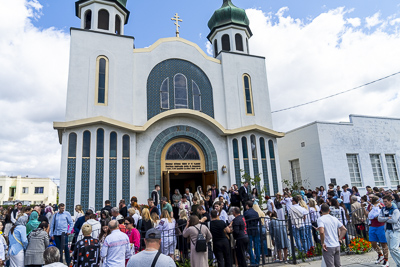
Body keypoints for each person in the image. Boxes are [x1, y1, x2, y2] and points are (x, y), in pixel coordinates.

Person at [378, 195, 400, 267]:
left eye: (386, 201)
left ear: (390, 201)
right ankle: (398, 264)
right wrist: (388, 218)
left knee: (394, 249)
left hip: (395, 230)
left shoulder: (395, 210)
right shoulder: (383, 209)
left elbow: (394, 220)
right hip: (387, 230)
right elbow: (379, 219)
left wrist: (384, 218)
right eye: (383, 201)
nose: (384, 203)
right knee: (391, 249)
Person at [367, 196, 389, 265]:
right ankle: (380, 255)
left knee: (383, 243)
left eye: (372, 198)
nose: (370, 199)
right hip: (372, 226)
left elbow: (384, 215)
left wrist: (380, 211)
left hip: (381, 226)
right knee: (373, 243)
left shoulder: (381, 205)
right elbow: (368, 215)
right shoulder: (370, 206)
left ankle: (386, 260)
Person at [244, 200, 260, 265]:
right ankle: (257, 261)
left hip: (249, 230)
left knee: (250, 246)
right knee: (257, 246)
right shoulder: (256, 213)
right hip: (256, 229)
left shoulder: (246, 213)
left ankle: (252, 262)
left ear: (247, 206)